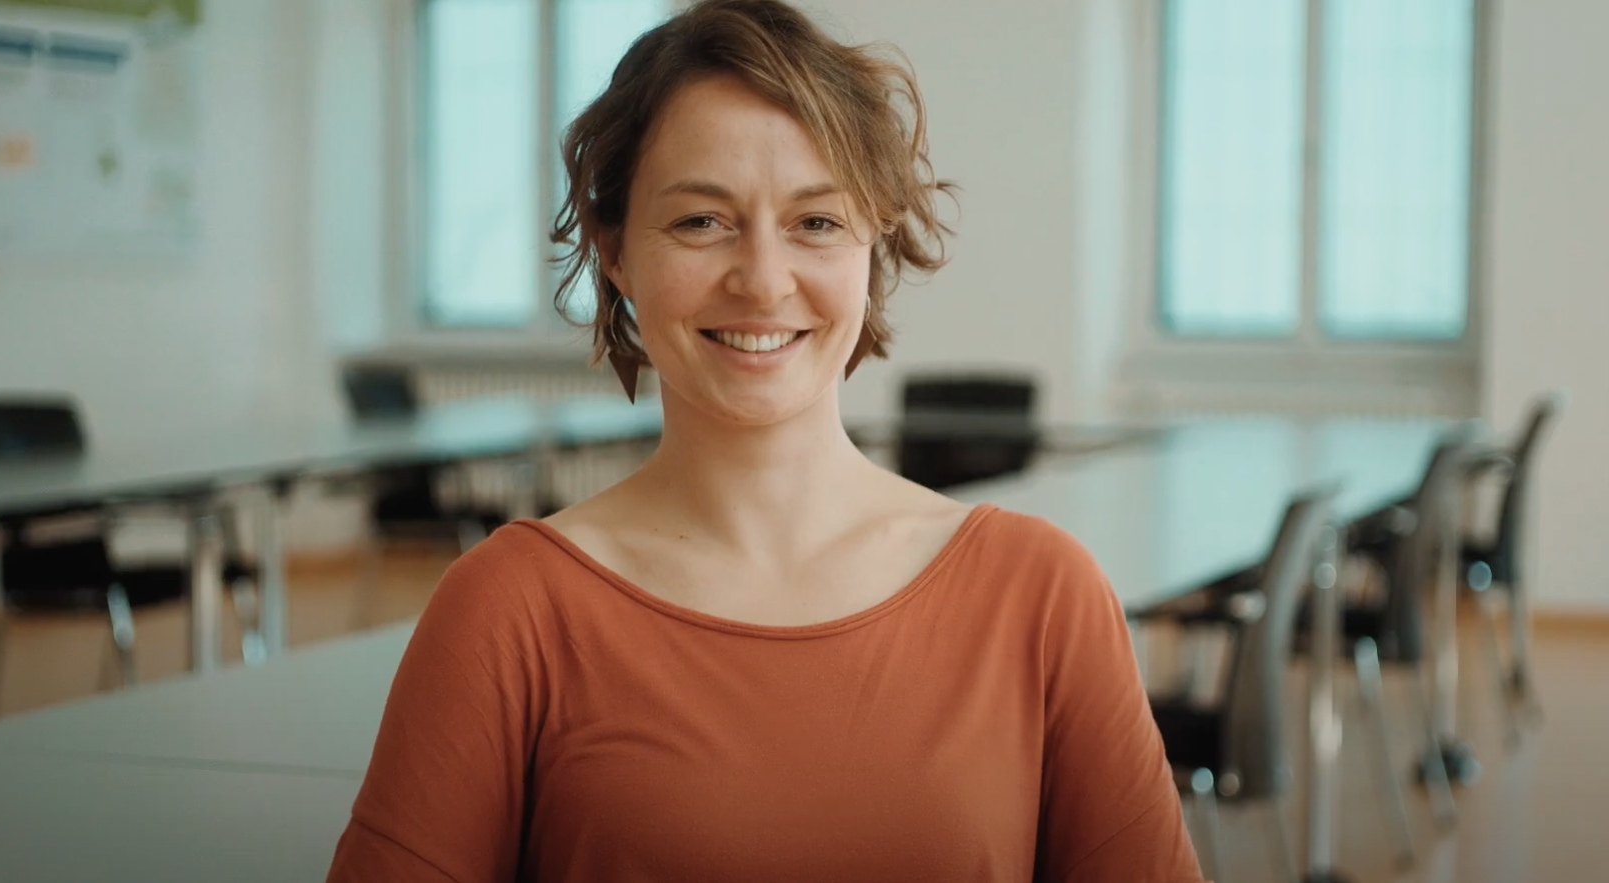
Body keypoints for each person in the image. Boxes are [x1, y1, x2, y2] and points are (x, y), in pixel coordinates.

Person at [325, 1, 1203, 880]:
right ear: (616, 250)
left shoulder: (1042, 596)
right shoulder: (508, 611)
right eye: (700, 221)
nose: (762, 279)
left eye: (815, 222)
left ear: (873, 240)